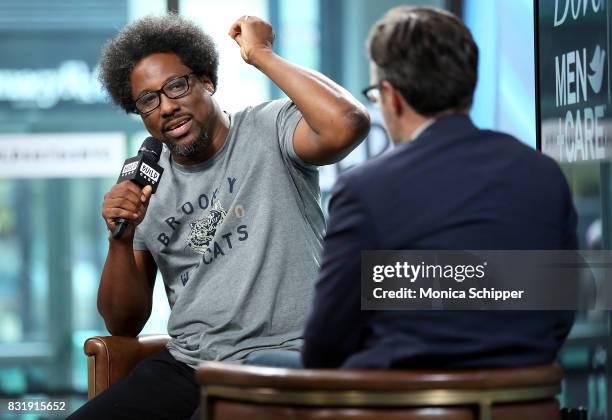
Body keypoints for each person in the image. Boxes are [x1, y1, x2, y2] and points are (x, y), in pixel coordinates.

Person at [69, 13, 369, 420]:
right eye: (148, 100)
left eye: (177, 85)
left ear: (207, 81)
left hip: (285, 358)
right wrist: (120, 240)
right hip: (190, 365)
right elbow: (124, 324)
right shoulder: (146, 188)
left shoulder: (269, 129)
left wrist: (260, 54)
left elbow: (346, 124)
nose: (167, 107)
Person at [301, 6, 576, 369]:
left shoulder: (366, 190)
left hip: (398, 402)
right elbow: (561, 317)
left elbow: (324, 347)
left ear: (392, 97)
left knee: (257, 365)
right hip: (522, 395)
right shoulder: (543, 174)